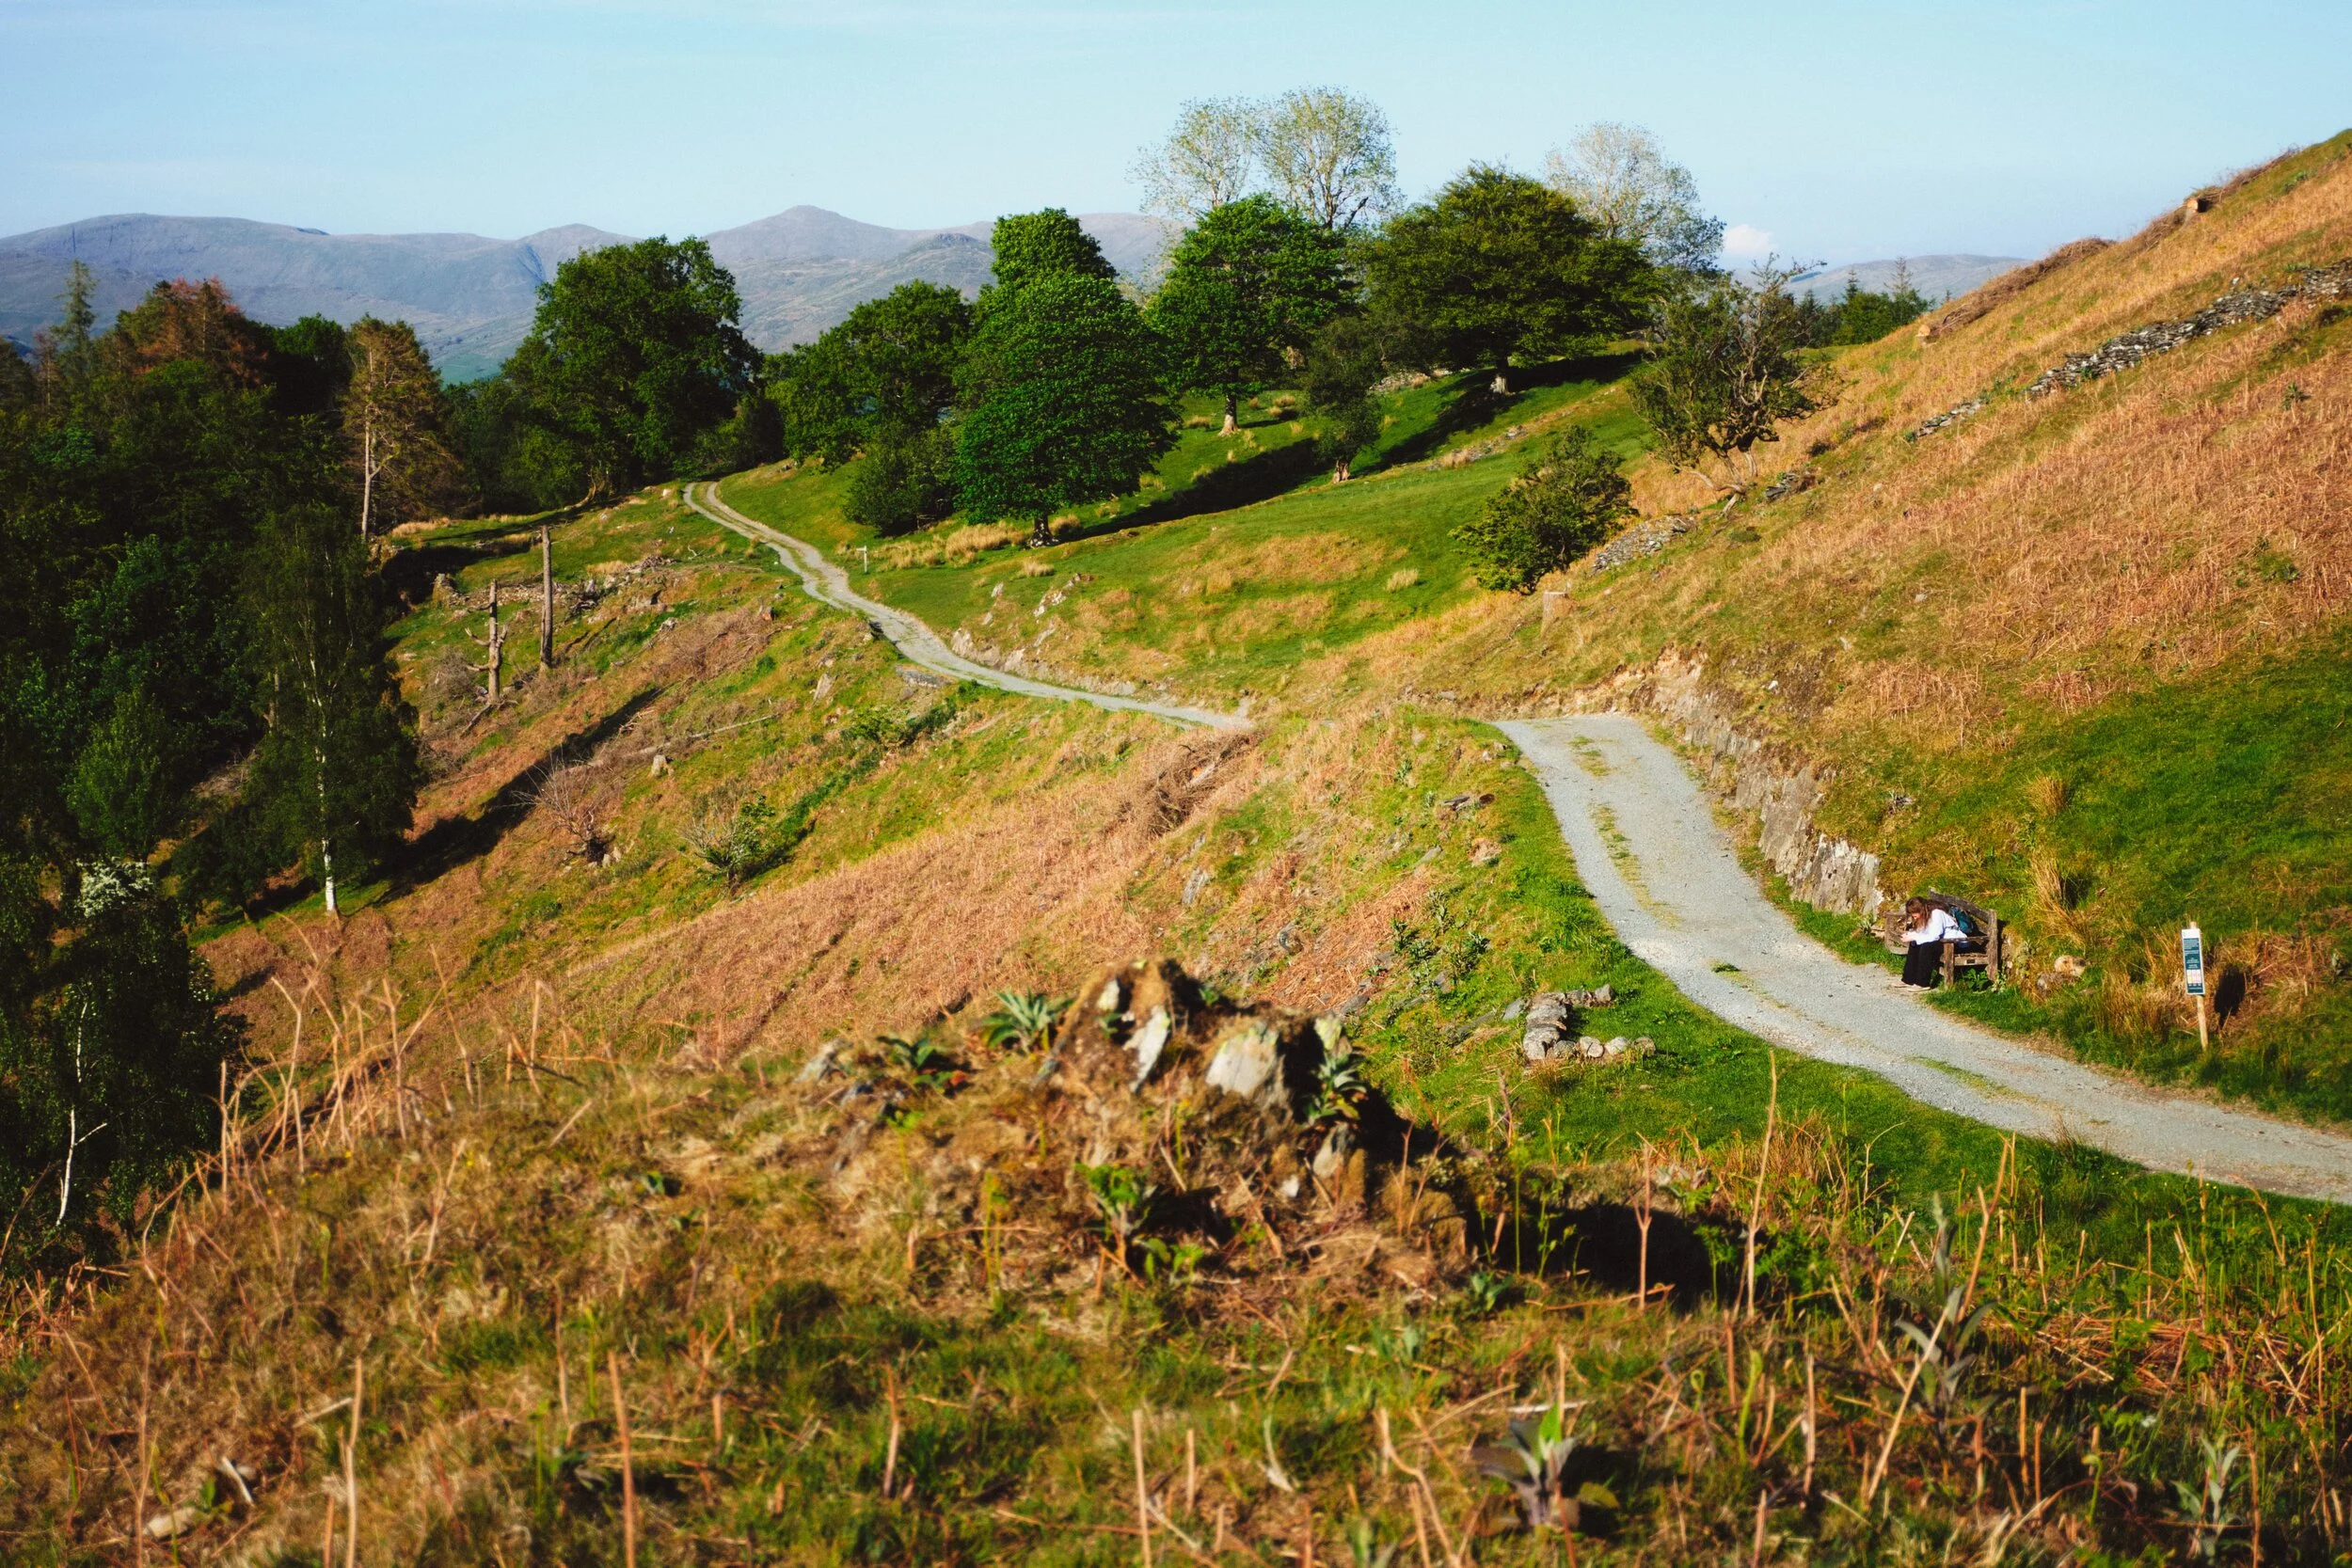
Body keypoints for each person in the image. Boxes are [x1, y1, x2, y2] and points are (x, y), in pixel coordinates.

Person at [1900, 896, 1971, 988]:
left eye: (1914, 914)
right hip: (1944, 941)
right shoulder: (1925, 916)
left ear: (1921, 910)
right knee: (1915, 944)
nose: (1914, 917)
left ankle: (1922, 983)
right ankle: (1908, 979)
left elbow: (1934, 936)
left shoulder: (1937, 914)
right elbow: (1924, 932)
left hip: (1956, 943)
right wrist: (1911, 935)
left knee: (1926, 948)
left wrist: (1915, 937)